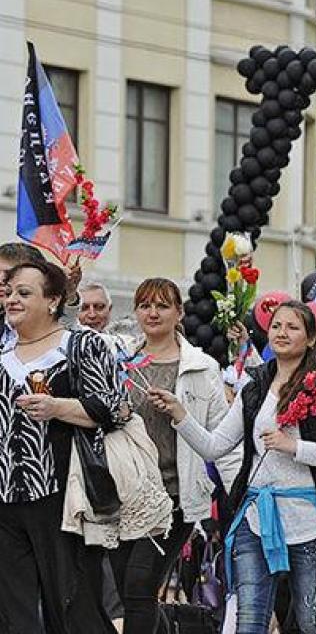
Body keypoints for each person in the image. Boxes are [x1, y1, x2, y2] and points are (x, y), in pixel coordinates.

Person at [147, 301, 316, 634]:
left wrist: (296, 447)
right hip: (255, 518)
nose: (282, 333)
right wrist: (180, 415)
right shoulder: (254, 388)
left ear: (309, 339)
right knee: (249, 621)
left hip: (310, 521)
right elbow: (215, 446)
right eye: (276, 326)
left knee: (312, 620)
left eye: (292, 327)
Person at [0, 260, 125, 633]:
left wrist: (58, 407)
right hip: (5, 498)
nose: (12, 301)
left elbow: (115, 407)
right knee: (13, 611)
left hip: (63, 495)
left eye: (24, 293)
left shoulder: (81, 343)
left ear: (53, 300)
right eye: (9, 293)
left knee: (72, 605)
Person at [105, 278, 235, 634]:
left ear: (179, 313)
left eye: (162, 305)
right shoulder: (122, 361)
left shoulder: (201, 366)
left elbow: (221, 436)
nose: (153, 312)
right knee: (129, 590)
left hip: (173, 496)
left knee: (139, 586)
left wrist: (234, 493)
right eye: (145, 305)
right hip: (123, 492)